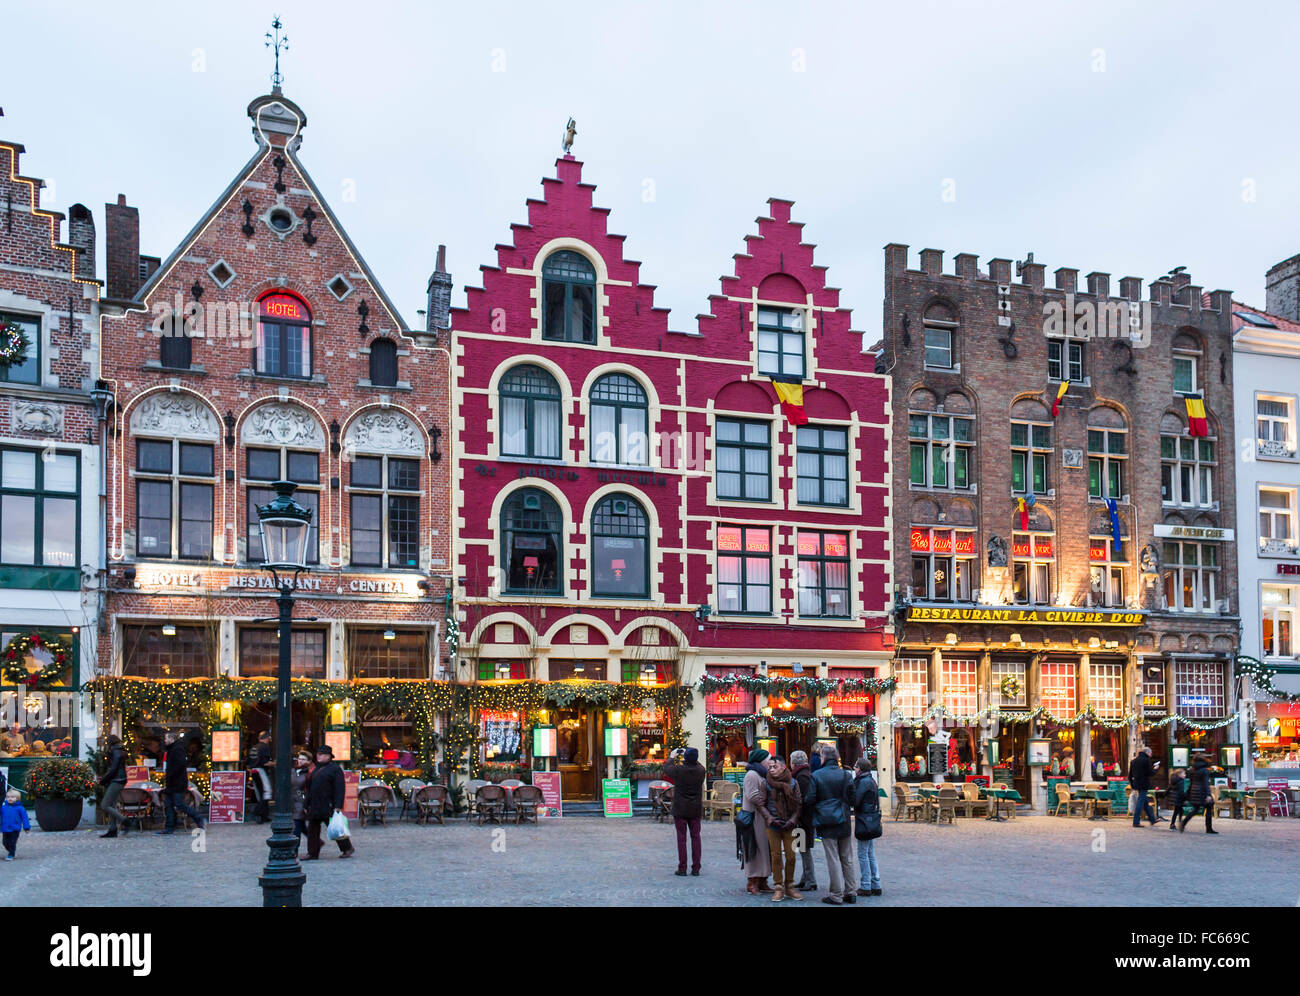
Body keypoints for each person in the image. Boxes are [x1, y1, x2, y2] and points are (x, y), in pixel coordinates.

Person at [804, 745, 859, 905]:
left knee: (833, 858)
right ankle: (851, 891)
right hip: (844, 820)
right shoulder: (845, 775)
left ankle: (836, 894)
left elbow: (809, 799)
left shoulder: (817, 775)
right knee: (847, 857)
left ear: (823, 758)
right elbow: (853, 799)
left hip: (826, 820)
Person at [763, 755, 803, 902]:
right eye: (770, 767)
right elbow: (761, 804)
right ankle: (778, 886)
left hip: (789, 825)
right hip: (773, 824)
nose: (772, 769)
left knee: (791, 856)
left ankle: (790, 886)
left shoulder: (793, 783)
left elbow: (799, 803)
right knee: (776, 856)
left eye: (775, 766)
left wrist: (793, 820)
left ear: (783, 767)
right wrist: (770, 818)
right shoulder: (766, 783)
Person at [303, 744, 354, 859]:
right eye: (318, 754)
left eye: (322, 754)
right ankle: (312, 853)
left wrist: (338, 805)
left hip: (328, 804)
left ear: (328, 756)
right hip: (315, 804)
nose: (319, 756)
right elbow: (310, 789)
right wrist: (306, 803)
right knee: (313, 830)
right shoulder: (316, 768)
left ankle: (347, 848)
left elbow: (340, 789)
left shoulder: (335, 769)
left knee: (335, 827)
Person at [663, 746, 706, 877]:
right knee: (696, 838)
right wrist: (691, 757)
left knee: (681, 839)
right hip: (695, 808)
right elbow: (697, 763)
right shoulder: (701, 770)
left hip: (681, 808)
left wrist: (672, 757)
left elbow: (667, 769)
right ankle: (696, 868)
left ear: (685, 757)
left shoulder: (679, 770)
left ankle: (682, 868)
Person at [155, 731, 204, 834]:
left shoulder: (177, 750)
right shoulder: (172, 749)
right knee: (168, 805)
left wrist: (171, 774)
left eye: (166, 738)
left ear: (171, 739)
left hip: (177, 783)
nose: (164, 741)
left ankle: (198, 818)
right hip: (172, 783)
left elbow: (180, 765)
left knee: (179, 804)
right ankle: (169, 827)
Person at [739, 748, 772, 895]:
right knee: (755, 850)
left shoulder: (761, 773)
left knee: (764, 850)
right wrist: (769, 800)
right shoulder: (752, 774)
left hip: (762, 818)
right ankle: (752, 882)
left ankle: (762, 880)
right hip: (754, 818)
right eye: (768, 759)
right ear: (761, 760)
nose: (770, 762)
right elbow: (753, 796)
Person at [852, 758, 882, 896]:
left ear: (860, 768)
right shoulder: (870, 780)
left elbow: (856, 801)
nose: (854, 768)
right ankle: (875, 883)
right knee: (870, 853)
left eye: (856, 766)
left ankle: (866, 885)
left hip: (865, 820)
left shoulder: (863, 782)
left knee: (863, 854)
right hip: (870, 818)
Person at [789, 750, 818, 893]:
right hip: (804, 819)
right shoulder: (803, 774)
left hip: (804, 820)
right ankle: (805, 878)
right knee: (802, 849)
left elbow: (803, 801)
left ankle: (811, 880)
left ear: (794, 762)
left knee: (804, 849)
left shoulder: (802, 777)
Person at [98, 734, 128, 838]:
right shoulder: (120, 750)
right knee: (112, 805)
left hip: (117, 780)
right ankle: (113, 829)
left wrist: (103, 780)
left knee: (105, 805)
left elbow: (113, 768)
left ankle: (124, 820)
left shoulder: (116, 752)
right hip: (119, 779)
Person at [1179, 754, 1217, 834]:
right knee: (1209, 807)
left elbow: (1191, 782)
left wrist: (1189, 793)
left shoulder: (1192, 769)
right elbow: (1206, 783)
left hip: (1194, 791)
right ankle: (1209, 828)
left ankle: (1183, 822)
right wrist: (1208, 795)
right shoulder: (1204, 770)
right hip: (1202, 792)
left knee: (1196, 809)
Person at [1128, 746, 1162, 827]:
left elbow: (1130, 775)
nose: (1151, 754)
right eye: (1150, 753)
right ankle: (1136, 822)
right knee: (1140, 802)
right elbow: (1150, 773)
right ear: (1147, 752)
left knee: (1145, 803)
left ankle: (1152, 819)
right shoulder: (1145, 760)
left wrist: (1132, 785)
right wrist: (1156, 769)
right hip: (1143, 784)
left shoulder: (1133, 761)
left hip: (1136, 783)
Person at [249, 731, 273, 824]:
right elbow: (265, 762)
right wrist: (275, 763)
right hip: (261, 771)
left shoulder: (253, 748)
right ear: (266, 738)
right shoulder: (264, 747)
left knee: (260, 793)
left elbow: (248, 761)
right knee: (267, 792)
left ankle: (264, 816)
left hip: (254, 771)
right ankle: (256, 812)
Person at [291, 750, 312, 852]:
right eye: (299, 759)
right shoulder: (294, 770)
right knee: (300, 825)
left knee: (297, 825)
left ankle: (294, 849)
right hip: (292, 801)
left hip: (301, 800)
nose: (301, 761)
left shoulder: (309, 772)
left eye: (303, 759)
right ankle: (316, 841)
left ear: (308, 761)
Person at [1, 788, 29, 860]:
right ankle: (11, 851)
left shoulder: (20, 808)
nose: (10, 799)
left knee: (12, 842)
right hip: (5, 828)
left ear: (17, 798)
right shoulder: (3, 807)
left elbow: (25, 818)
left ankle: (11, 854)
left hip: (15, 828)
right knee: (5, 842)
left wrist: (26, 827)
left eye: (12, 797)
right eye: (8, 797)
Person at [1166, 767, 1187, 832]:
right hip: (1179, 799)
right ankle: (1178, 824)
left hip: (1175, 799)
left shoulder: (1173, 780)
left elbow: (1168, 789)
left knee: (1178, 811)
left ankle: (1174, 824)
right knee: (1179, 812)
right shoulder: (1181, 781)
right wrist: (1185, 798)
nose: (1185, 775)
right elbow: (1181, 792)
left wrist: (1164, 795)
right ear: (1179, 775)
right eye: (1184, 774)